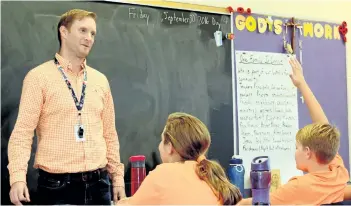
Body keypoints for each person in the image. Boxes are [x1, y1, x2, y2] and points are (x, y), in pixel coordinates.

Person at [8, 9, 125, 205]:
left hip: (100, 185)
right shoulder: (39, 78)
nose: (89, 38)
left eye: (93, 33)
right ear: (64, 32)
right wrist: (18, 177)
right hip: (58, 188)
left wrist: (118, 178)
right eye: (83, 31)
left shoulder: (100, 80)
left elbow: (109, 134)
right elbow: (22, 133)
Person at [239, 57, 350, 205]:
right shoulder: (337, 173)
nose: (295, 152)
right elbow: (324, 126)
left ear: (308, 152)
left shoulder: (298, 187)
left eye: (297, 147)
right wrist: (301, 83)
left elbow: (258, 203)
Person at [118, 112, 242, 205]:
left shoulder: (162, 173)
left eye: (161, 141)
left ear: (170, 147)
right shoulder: (209, 175)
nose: (159, 146)